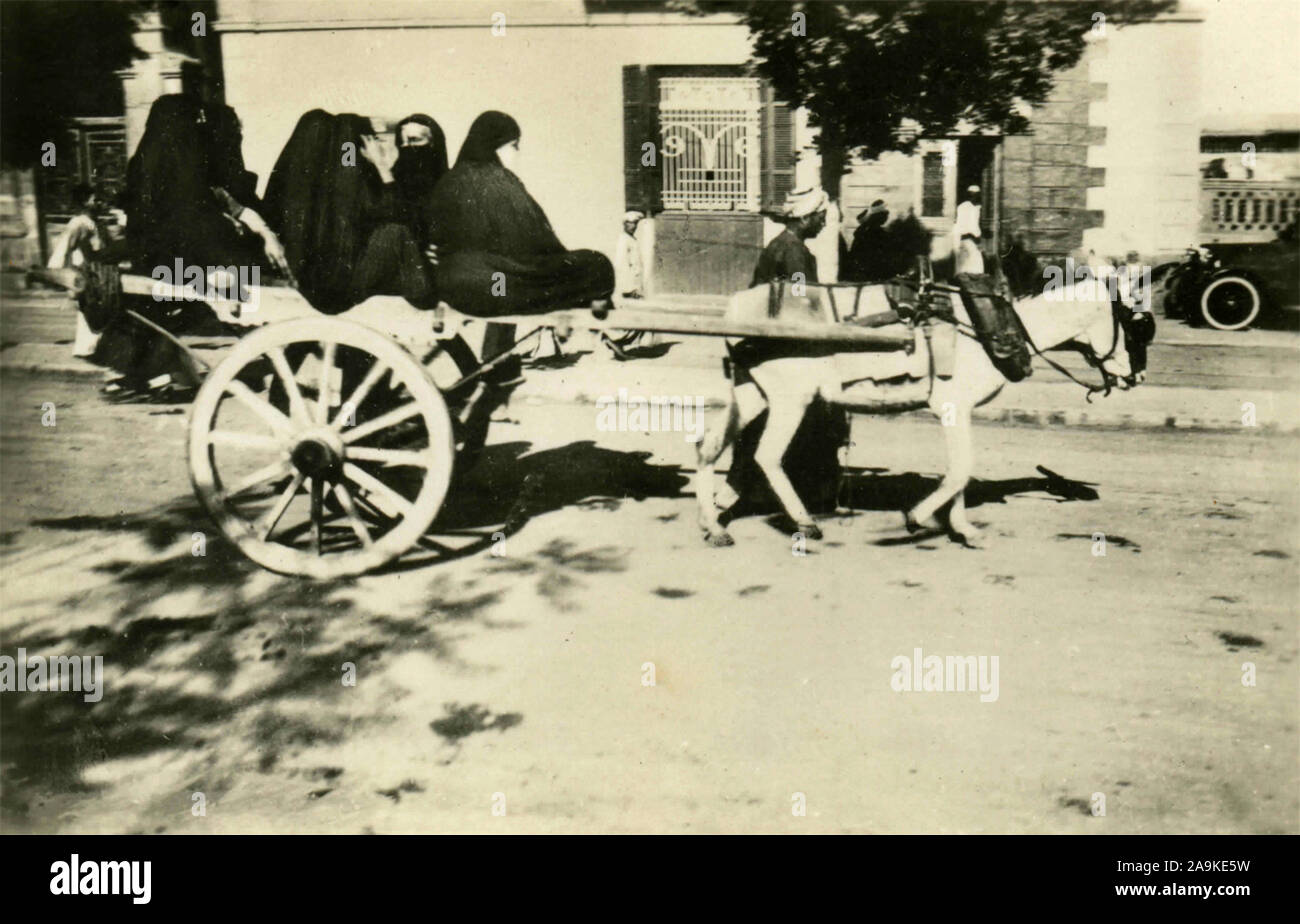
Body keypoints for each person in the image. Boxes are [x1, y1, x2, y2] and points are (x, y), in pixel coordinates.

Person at [429, 110, 615, 363]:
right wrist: (559, 257)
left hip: (455, 286)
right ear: (496, 146)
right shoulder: (500, 180)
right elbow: (532, 242)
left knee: (504, 272)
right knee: (595, 263)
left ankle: (496, 357)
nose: (516, 153)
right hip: (497, 288)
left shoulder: (448, 181)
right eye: (514, 146)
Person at [725, 187, 849, 516]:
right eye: (821, 218)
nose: (823, 224)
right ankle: (805, 495)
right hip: (779, 346)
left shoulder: (784, 245)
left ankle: (748, 489)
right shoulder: (793, 252)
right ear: (806, 217)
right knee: (811, 416)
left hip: (768, 341)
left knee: (763, 421)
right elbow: (801, 299)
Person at [261, 110, 448, 312]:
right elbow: (348, 167)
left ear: (433, 142)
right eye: (401, 142)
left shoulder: (444, 184)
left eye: (414, 140)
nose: (406, 147)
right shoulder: (363, 169)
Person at [46, 183, 107, 357]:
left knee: (95, 306)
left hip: (97, 268)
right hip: (86, 270)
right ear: (85, 201)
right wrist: (54, 271)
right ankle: (88, 347)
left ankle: (90, 346)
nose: (98, 202)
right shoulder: (79, 223)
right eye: (94, 198)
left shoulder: (91, 222)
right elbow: (65, 244)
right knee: (90, 306)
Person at [846, 199, 892, 282]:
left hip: (859, 274)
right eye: (885, 214)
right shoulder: (876, 233)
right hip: (870, 276)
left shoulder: (863, 229)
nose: (887, 217)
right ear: (878, 216)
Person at [953, 184, 984, 275]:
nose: (974, 197)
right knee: (967, 263)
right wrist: (975, 236)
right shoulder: (964, 207)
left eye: (976, 195)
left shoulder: (977, 207)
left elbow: (975, 224)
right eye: (972, 194)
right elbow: (965, 225)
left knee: (975, 263)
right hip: (966, 237)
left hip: (973, 238)